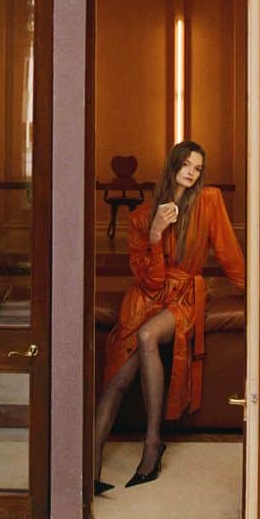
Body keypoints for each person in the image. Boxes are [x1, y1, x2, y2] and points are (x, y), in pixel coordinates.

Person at [93, 139, 246, 491]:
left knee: (148, 336)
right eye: (186, 165)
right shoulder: (141, 216)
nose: (192, 173)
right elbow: (150, 280)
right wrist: (155, 234)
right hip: (144, 299)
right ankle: (89, 470)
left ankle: (152, 442)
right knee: (117, 378)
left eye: (198, 168)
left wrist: (253, 293)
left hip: (185, 296)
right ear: (173, 166)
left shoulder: (209, 201)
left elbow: (229, 253)